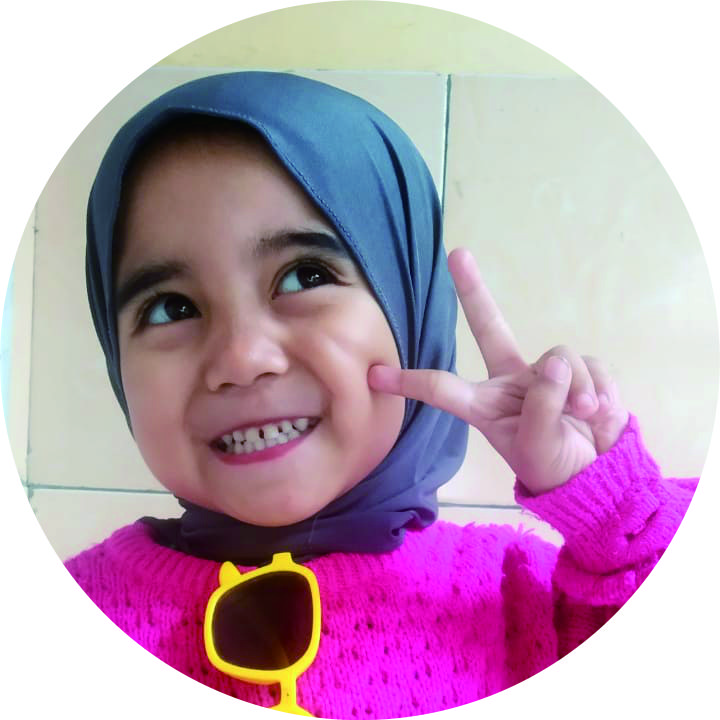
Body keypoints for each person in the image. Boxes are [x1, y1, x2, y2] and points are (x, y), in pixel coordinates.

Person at [67, 72, 697, 719]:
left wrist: (620, 512)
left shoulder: (535, 606)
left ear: (411, 311)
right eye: (171, 308)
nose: (242, 359)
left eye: (304, 275)